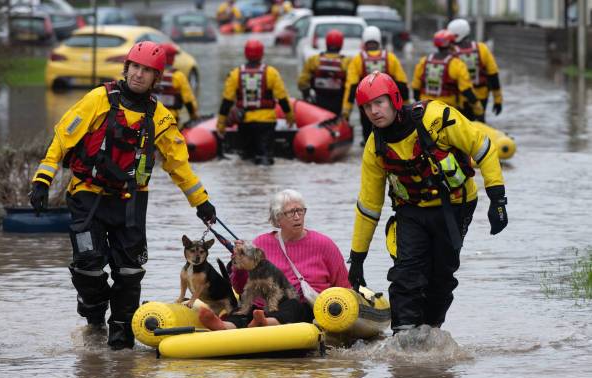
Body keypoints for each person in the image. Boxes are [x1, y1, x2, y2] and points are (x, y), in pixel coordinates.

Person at [28, 41, 217, 350]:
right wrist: (42, 179)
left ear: (156, 78)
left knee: (130, 273)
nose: (139, 75)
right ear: (126, 68)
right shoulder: (98, 100)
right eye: (135, 67)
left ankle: (120, 344)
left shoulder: (161, 118)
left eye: (147, 71)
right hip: (88, 195)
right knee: (88, 264)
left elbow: (179, 167)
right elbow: (63, 138)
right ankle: (93, 315)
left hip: (130, 202)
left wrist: (202, 203)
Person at [347, 72, 508, 334]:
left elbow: (483, 148)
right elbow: (368, 205)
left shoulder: (436, 118)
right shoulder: (374, 146)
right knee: (405, 275)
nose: (374, 111)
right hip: (410, 211)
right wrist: (357, 258)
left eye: (379, 103)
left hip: (455, 206)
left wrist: (497, 199)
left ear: (395, 100)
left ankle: (431, 331)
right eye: (367, 107)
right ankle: (404, 339)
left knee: (441, 279)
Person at [199, 189, 351, 330]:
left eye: (300, 211)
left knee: (293, 306)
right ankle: (224, 325)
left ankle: (264, 322)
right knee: (247, 308)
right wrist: (238, 264)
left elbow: (344, 286)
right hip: (264, 304)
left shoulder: (324, 244)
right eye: (291, 212)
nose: (297, 216)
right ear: (278, 219)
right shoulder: (261, 243)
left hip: (303, 306)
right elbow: (241, 288)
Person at [216, 39, 294, 165]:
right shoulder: (271, 73)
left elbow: (227, 101)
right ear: (262, 54)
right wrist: (290, 117)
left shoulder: (235, 74)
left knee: (247, 158)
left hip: (245, 123)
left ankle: (249, 182)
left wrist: (221, 123)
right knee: (265, 157)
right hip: (266, 123)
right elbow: (282, 98)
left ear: (245, 54)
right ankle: (263, 180)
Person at [342, 26, 409, 145]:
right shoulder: (390, 57)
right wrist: (407, 107)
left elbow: (351, 87)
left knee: (368, 137)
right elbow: (402, 84)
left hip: (366, 106)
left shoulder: (358, 59)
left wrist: (347, 110)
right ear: (379, 40)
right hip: (386, 104)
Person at [411, 29, 484, 120]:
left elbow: (415, 88)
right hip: (448, 111)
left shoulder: (424, 61)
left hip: (426, 109)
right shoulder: (457, 64)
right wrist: (479, 110)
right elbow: (466, 90)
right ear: (451, 44)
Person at [447, 18, 503, 122]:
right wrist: (498, 99)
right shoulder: (482, 48)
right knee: (479, 126)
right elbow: (493, 75)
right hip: (481, 97)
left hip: (460, 100)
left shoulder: (449, 52)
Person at [297, 29, 350, 115]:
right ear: (341, 45)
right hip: (338, 105)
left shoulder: (313, 60)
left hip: (318, 103)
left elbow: (302, 83)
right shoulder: (347, 62)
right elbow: (351, 85)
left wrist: (307, 97)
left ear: (326, 43)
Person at [154, 43, 198, 127]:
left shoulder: (152, 73)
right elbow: (189, 101)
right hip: (170, 120)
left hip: (150, 119)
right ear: (172, 58)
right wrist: (194, 117)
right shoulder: (178, 76)